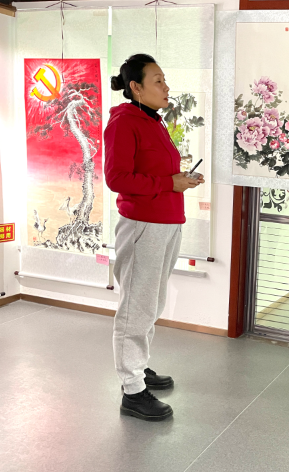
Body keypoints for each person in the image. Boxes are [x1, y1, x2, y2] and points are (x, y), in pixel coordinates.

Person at [104, 54, 204, 421]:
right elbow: (117, 178)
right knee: (137, 306)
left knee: (152, 302)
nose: (166, 87)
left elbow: (156, 174)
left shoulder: (152, 121)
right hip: (143, 225)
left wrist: (181, 180)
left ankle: (138, 366)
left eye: (165, 80)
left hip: (166, 222)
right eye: (158, 80)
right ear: (136, 87)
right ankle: (132, 391)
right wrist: (168, 183)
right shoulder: (123, 122)